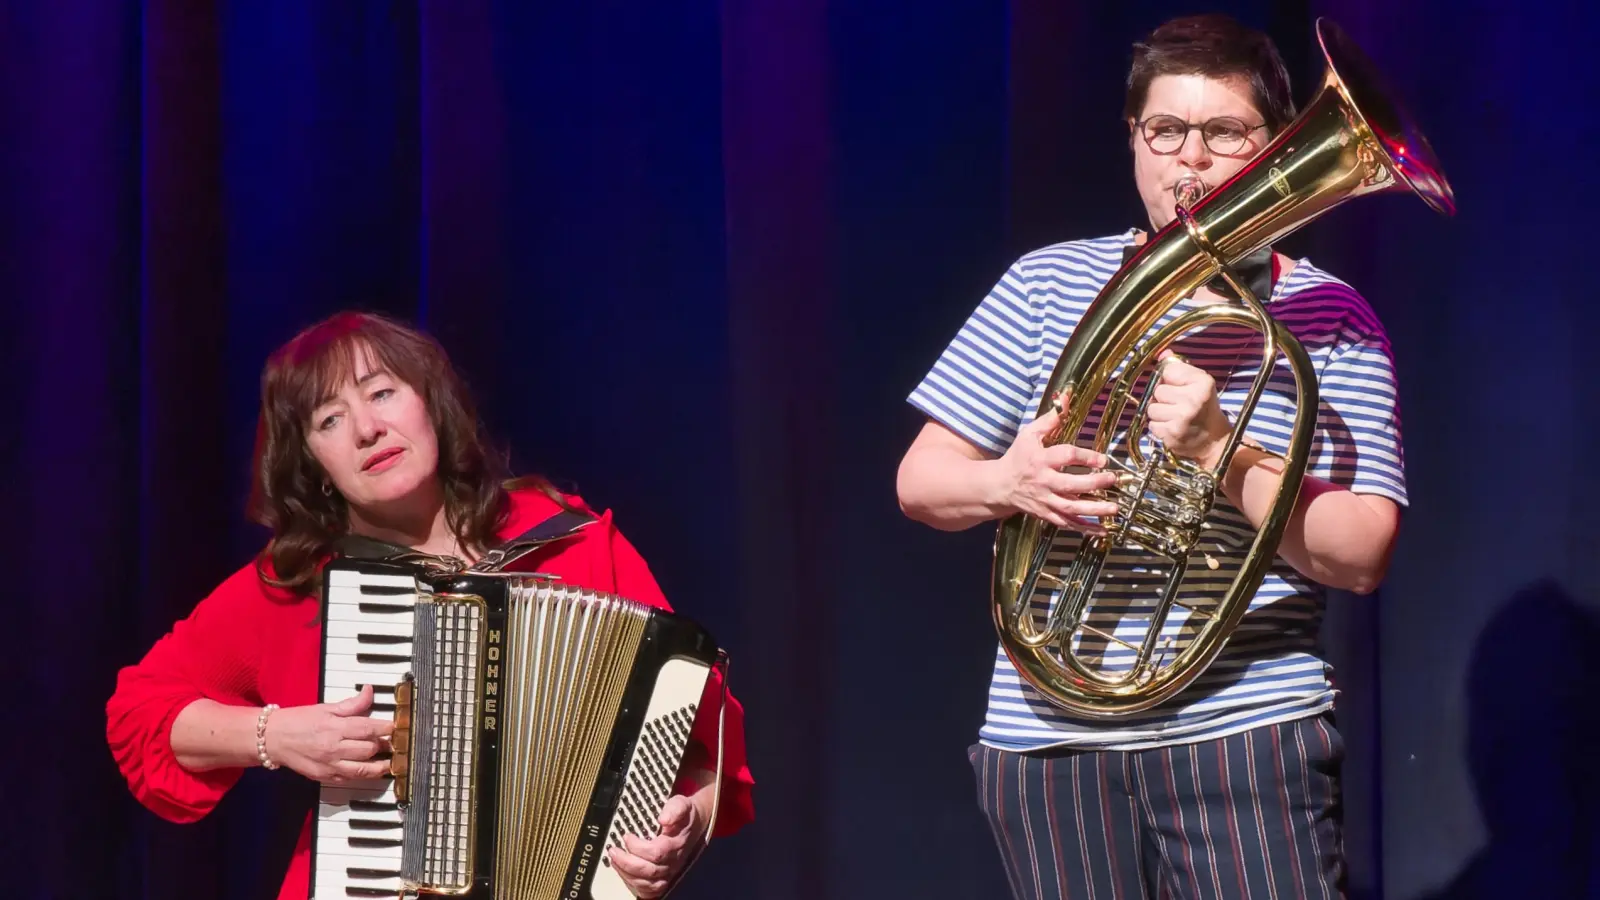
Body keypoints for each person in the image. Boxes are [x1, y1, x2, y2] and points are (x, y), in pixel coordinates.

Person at [897, 14, 1406, 900]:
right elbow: (920, 483)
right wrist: (1005, 480)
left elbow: (1360, 554)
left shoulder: (1331, 316)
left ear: (1273, 146)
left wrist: (1219, 450)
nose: (1191, 161)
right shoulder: (1044, 285)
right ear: (1133, 139)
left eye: (1225, 132)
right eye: (1165, 130)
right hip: (1049, 745)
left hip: (1246, 736)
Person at [106, 310, 755, 900]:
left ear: (429, 402)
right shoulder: (297, 581)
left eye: (382, 392)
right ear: (314, 464)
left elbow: (706, 739)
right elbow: (138, 715)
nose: (367, 429)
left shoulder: (571, 540)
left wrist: (682, 832)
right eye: (329, 420)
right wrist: (274, 736)